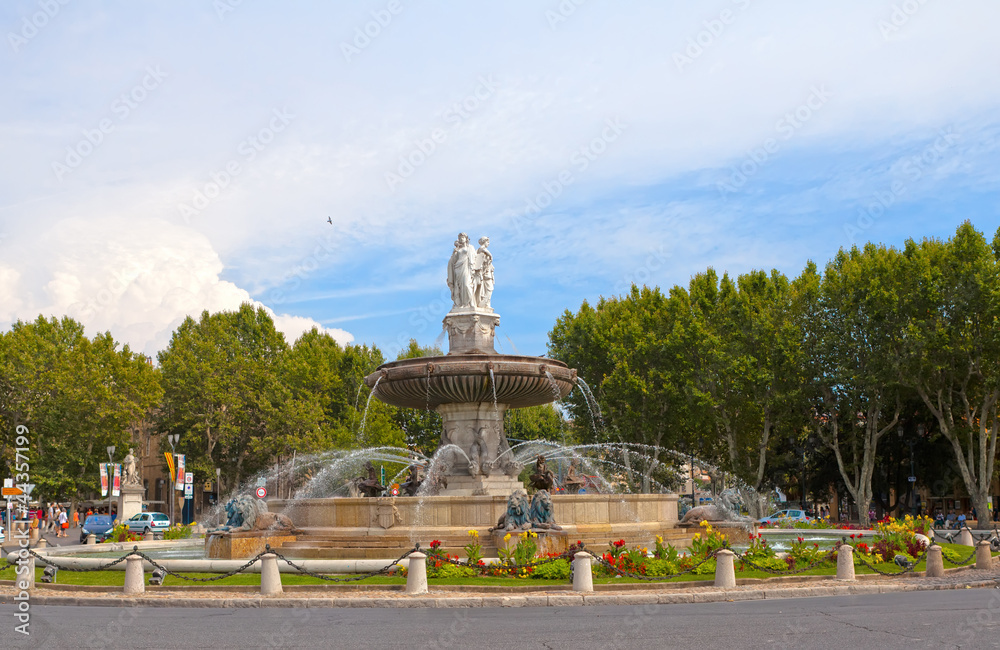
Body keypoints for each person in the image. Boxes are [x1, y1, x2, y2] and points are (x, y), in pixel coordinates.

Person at [446, 233, 477, 309]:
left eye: (462, 237)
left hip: (466, 267)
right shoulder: (458, 250)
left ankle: (470, 303)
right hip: (458, 268)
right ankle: (462, 304)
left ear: (466, 239)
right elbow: (453, 261)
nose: (461, 239)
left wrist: (472, 268)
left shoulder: (470, 247)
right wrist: (455, 253)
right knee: (459, 286)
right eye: (460, 238)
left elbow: (473, 258)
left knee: (467, 285)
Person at [474, 236, 494, 309]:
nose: (488, 243)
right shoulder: (482, 249)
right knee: (489, 289)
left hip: (487, 272)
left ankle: (486, 303)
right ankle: (484, 303)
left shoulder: (482, 250)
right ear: (484, 242)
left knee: (487, 289)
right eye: (487, 242)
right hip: (485, 273)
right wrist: (490, 256)